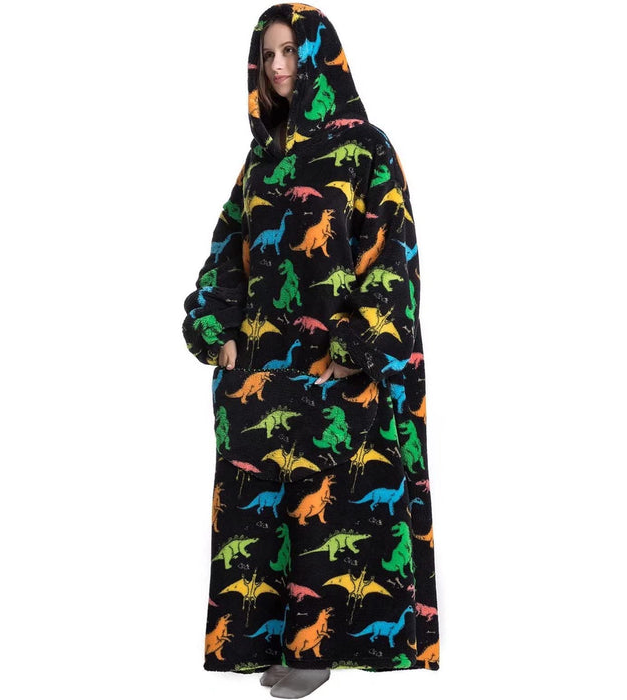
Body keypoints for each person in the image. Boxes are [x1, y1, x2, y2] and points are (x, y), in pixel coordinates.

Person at [182, 4, 439, 697]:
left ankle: (317, 650)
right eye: (267, 55)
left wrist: (358, 344)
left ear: (319, 55)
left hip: (336, 375)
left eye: (290, 51)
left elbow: (395, 255)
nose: (277, 66)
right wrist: (217, 330)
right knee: (261, 516)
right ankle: (278, 643)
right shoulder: (260, 161)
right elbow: (226, 254)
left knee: (340, 508)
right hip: (262, 372)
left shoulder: (367, 147)